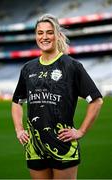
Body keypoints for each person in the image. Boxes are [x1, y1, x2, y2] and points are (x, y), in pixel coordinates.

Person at [11, 14, 103, 179]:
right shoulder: (28, 68)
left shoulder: (72, 66)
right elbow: (17, 102)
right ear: (36, 36)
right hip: (34, 147)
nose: (44, 37)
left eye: (49, 32)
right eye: (40, 33)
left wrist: (81, 131)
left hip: (63, 145)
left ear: (58, 35)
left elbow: (96, 100)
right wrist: (19, 129)